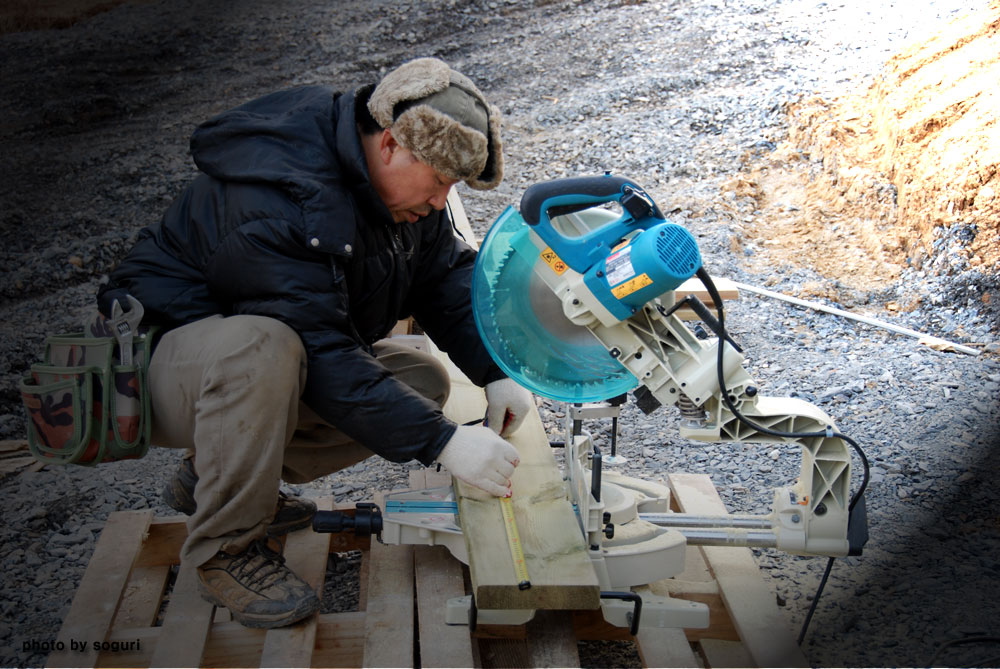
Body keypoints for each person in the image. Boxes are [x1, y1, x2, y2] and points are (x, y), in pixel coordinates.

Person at [97, 57, 535, 629]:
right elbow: (320, 353)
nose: (439, 201)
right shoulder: (282, 200)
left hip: (256, 360)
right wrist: (443, 444)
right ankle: (224, 551)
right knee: (263, 346)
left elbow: (444, 279)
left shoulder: (396, 193)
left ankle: (210, 477)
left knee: (420, 381)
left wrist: (495, 369)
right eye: (439, 183)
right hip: (157, 366)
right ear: (389, 147)